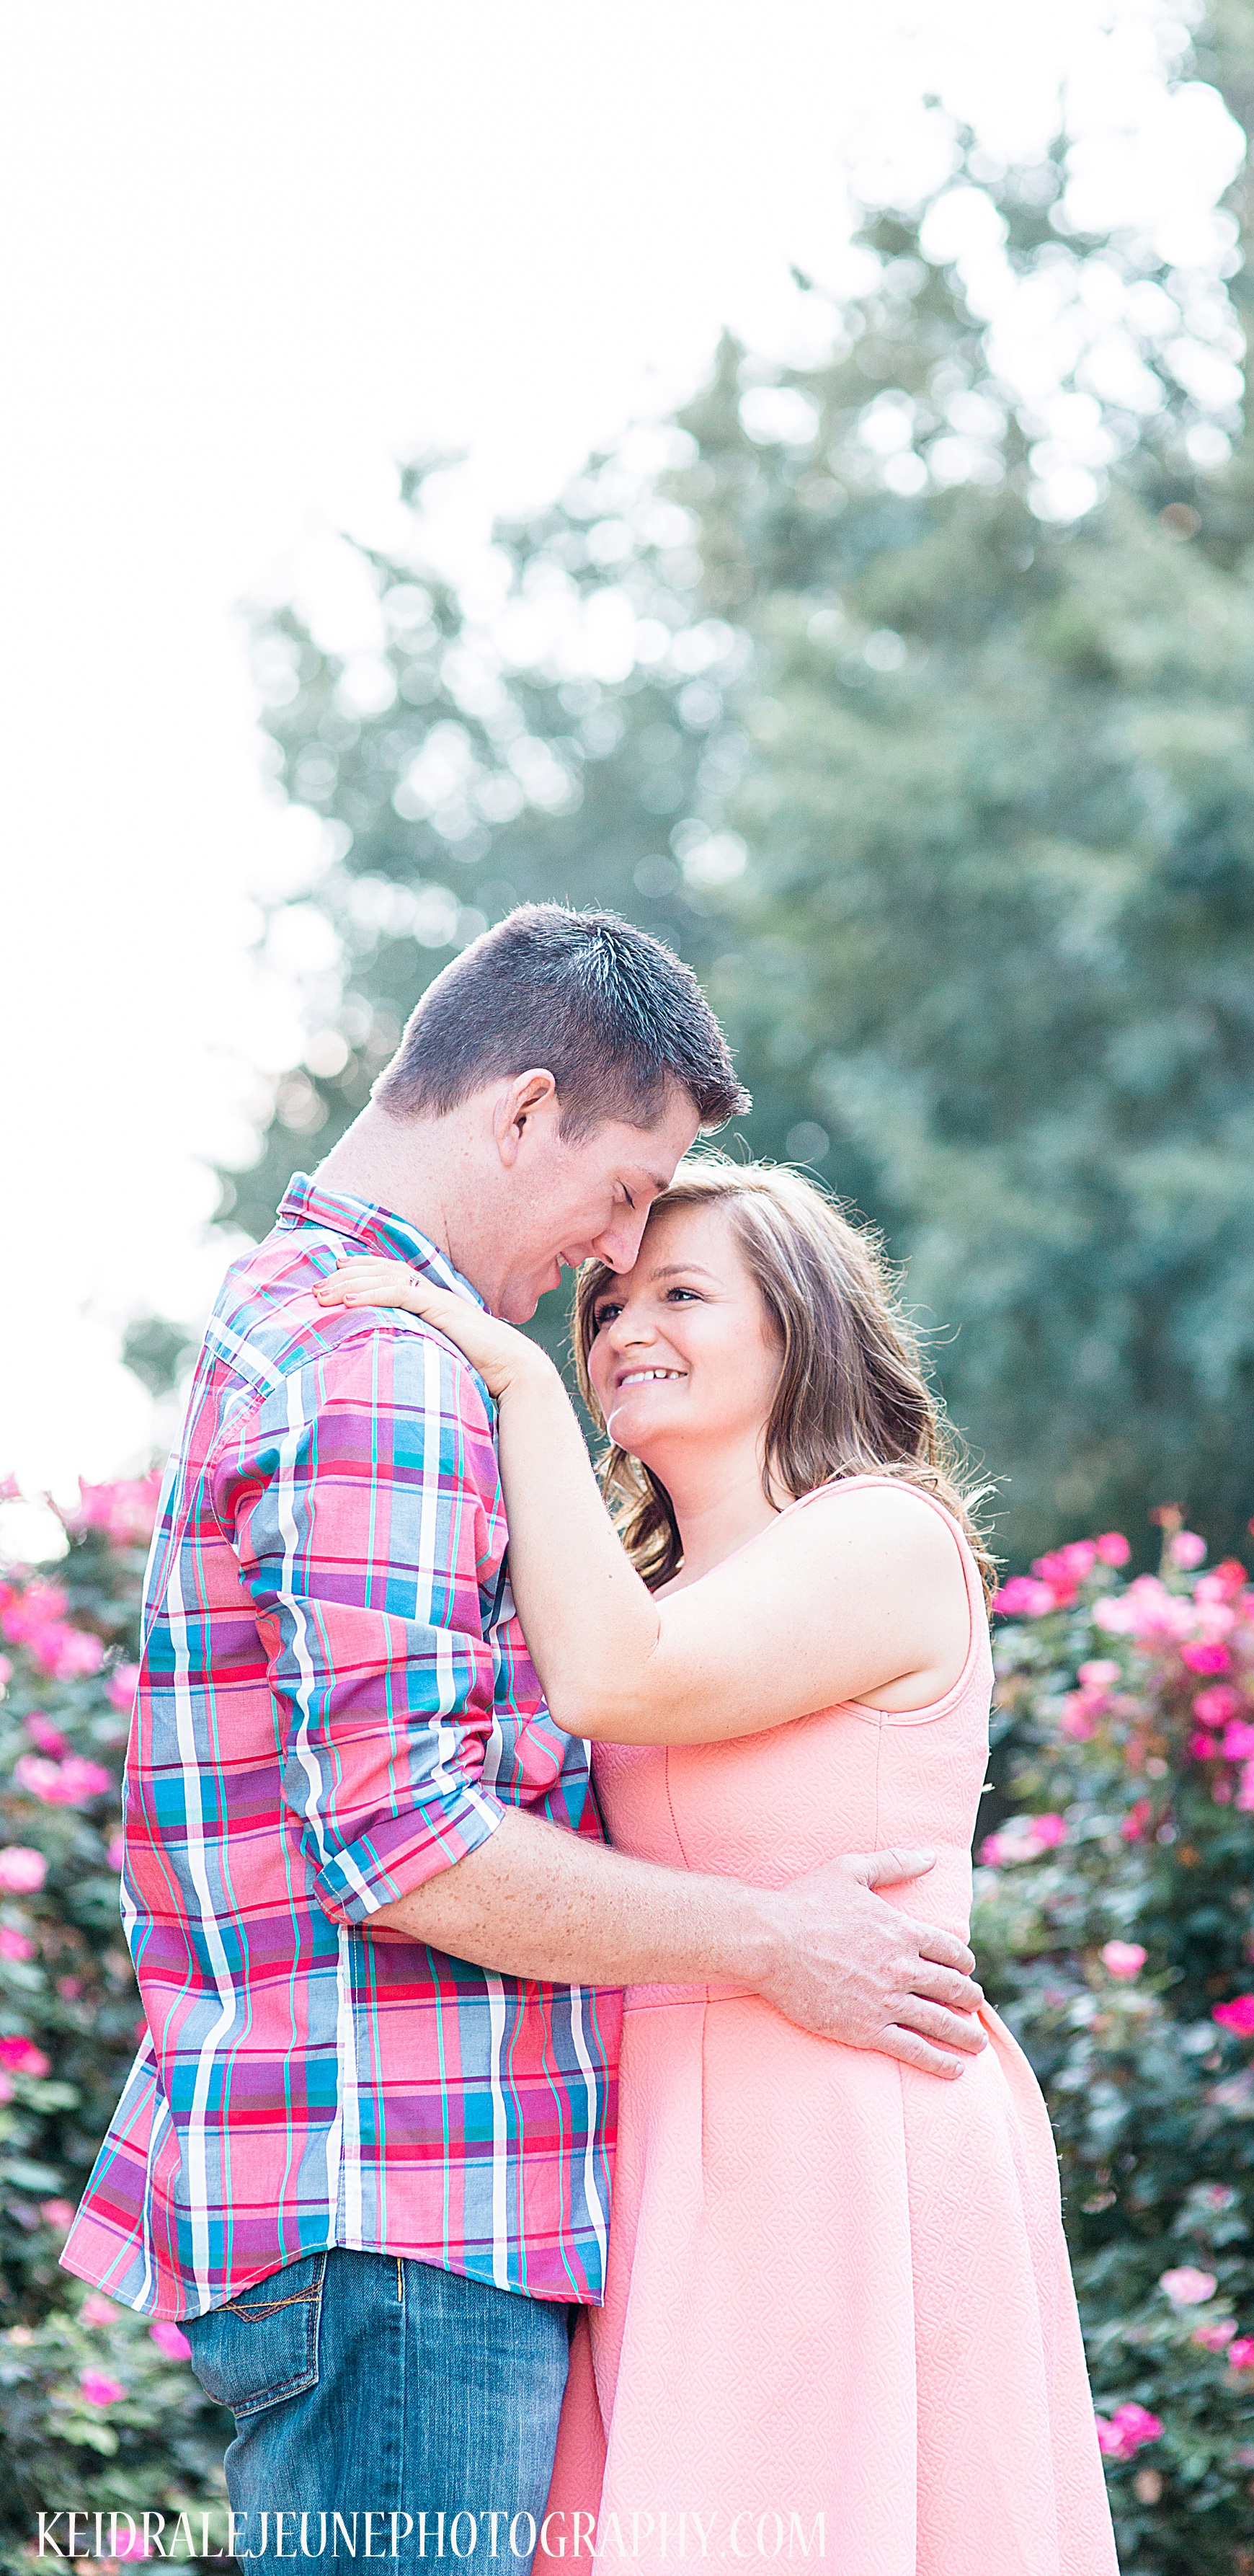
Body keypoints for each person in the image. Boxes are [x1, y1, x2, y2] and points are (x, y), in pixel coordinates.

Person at [62, 908, 985, 2559]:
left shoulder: (332, 1326)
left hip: (438, 2198)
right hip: (405, 2190)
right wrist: (776, 1940)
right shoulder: (395, 1363)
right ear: (519, 1112)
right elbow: (407, 1835)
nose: (611, 1257)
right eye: (625, 1191)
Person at [314, 1159, 1119, 2576]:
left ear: (797, 1327)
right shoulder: (641, 1584)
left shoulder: (881, 1536)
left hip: (843, 2116)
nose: (624, 1323)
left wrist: (509, 1370)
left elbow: (620, 1678)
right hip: (661, 2140)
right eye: (608, 1299)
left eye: (684, 1292)